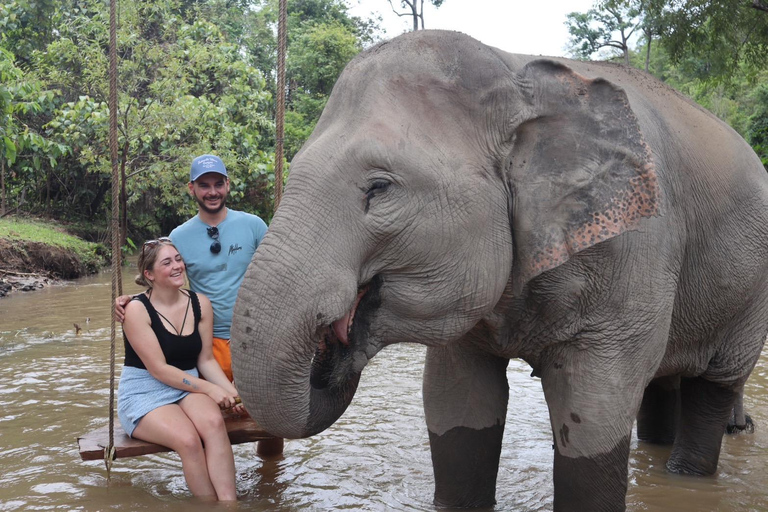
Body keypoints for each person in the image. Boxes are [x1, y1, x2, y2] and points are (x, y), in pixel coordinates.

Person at [116, 154, 283, 456]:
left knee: (268, 420)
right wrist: (129, 300)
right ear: (191, 189)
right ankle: (220, 489)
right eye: (204, 185)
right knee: (215, 422)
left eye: (218, 184)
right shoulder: (179, 236)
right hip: (209, 343)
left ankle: (269, 479)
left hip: (255, 338)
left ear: (228, 185)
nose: (212, 191)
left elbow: (277, 272)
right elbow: (160, 276)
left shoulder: (253, 225)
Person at [118, 237, 243, 501]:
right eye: (167, 262)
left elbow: (206, 360)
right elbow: (160, 370)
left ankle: (230, 505)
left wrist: (231, 393)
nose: (177, 266)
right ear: (149, 274)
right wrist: (209, 390)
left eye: (178, 259)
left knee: (213, 423)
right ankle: (210, 507)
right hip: (145, 392)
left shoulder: (200, 303)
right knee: (188, 441)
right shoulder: (136, 310)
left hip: (187, 385)